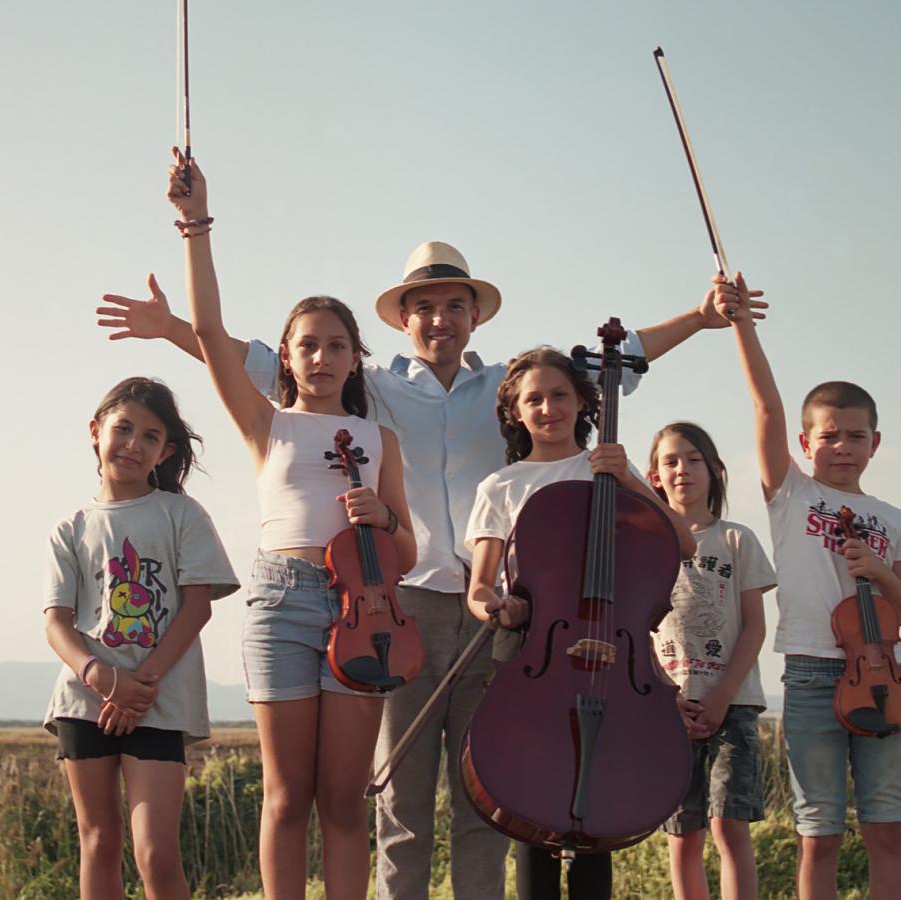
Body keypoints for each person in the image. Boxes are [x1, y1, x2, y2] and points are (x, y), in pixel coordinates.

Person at [97, 202, 764, 899]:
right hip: (395, 608)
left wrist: (700, 317)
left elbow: (607, 362)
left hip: (503, 619)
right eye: (424, 307)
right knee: (400, 799)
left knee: (490, 792)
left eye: (454, 305)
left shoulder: (512, 385)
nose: (440, 318)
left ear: (475, 316)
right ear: (402, 320)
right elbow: (254, 360)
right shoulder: (372, 389)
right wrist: (171, 327)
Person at [167, 153, 418, 900]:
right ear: (287, 357)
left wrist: (381, 517)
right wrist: (194, 224)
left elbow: (404, 552)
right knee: (286, 797)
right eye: (307, 344)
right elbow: (209, 331)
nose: (321, 356)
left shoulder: (379, 441)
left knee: (342, 801)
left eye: (336, 344)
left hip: (361, 612)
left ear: (355, 359)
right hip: (279, 604)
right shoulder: (266, 424)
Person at [714, 273, 901, 900]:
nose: (841, 446)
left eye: (855, 436)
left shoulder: (894, 519)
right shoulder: (792, 493)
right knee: (820, 833)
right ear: (806, 443)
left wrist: (881, 570)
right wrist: (742, 328)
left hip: (886, 677)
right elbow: (765, 407)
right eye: (828, 435)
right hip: (810, 673)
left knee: (888, 828)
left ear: (875, 444)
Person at [463, 347, 697, 900]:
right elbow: (479, 586)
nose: (549, 408)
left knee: (603, 806)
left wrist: (629, 482)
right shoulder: (500, 486)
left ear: (582, 403)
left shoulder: (609, 468)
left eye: (560, 395)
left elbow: (683, 543)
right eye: (534, 399)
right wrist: (498, 607)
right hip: (529, 650)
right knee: (530, 794)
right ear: (515, 412)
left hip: (614, 659)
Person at [42, 376, 240, 900]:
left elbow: (197, 608)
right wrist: (103, 678)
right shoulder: (71, 527)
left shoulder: (182, 515)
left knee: (155, 852)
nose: (133, 443)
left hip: (160, 700)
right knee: (99, 843)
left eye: (150, 436)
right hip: (86, 700)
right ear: (95, 432)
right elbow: (57, 622)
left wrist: (140, 687)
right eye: (122, 428)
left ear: (166, 450)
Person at [645, 422, 776, 900]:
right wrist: (664, 693)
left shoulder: (736, 540)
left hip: (732, 704)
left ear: (716, 470)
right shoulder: (644, 544)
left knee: (729, 828)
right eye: (671, 461)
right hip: (667, 705)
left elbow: (755, 627)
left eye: (693, 459)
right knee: (683, 835)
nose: (682, 470)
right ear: (654, 476)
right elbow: (637, 629)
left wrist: (723, 695)